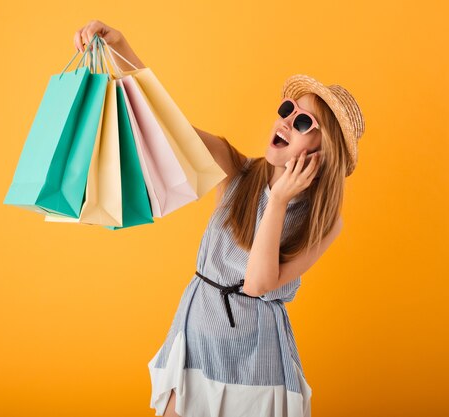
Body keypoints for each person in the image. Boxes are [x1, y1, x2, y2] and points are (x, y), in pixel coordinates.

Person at [74, 20, 366, 417]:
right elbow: (168, 125)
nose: (285, 120)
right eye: (287, 110)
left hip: (259, 351)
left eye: (302, 123)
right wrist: (122, 46)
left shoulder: (323, 222)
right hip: (199, 329)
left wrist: (278, 199)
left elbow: (259, 283)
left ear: (323, 151)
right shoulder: (236, 170)